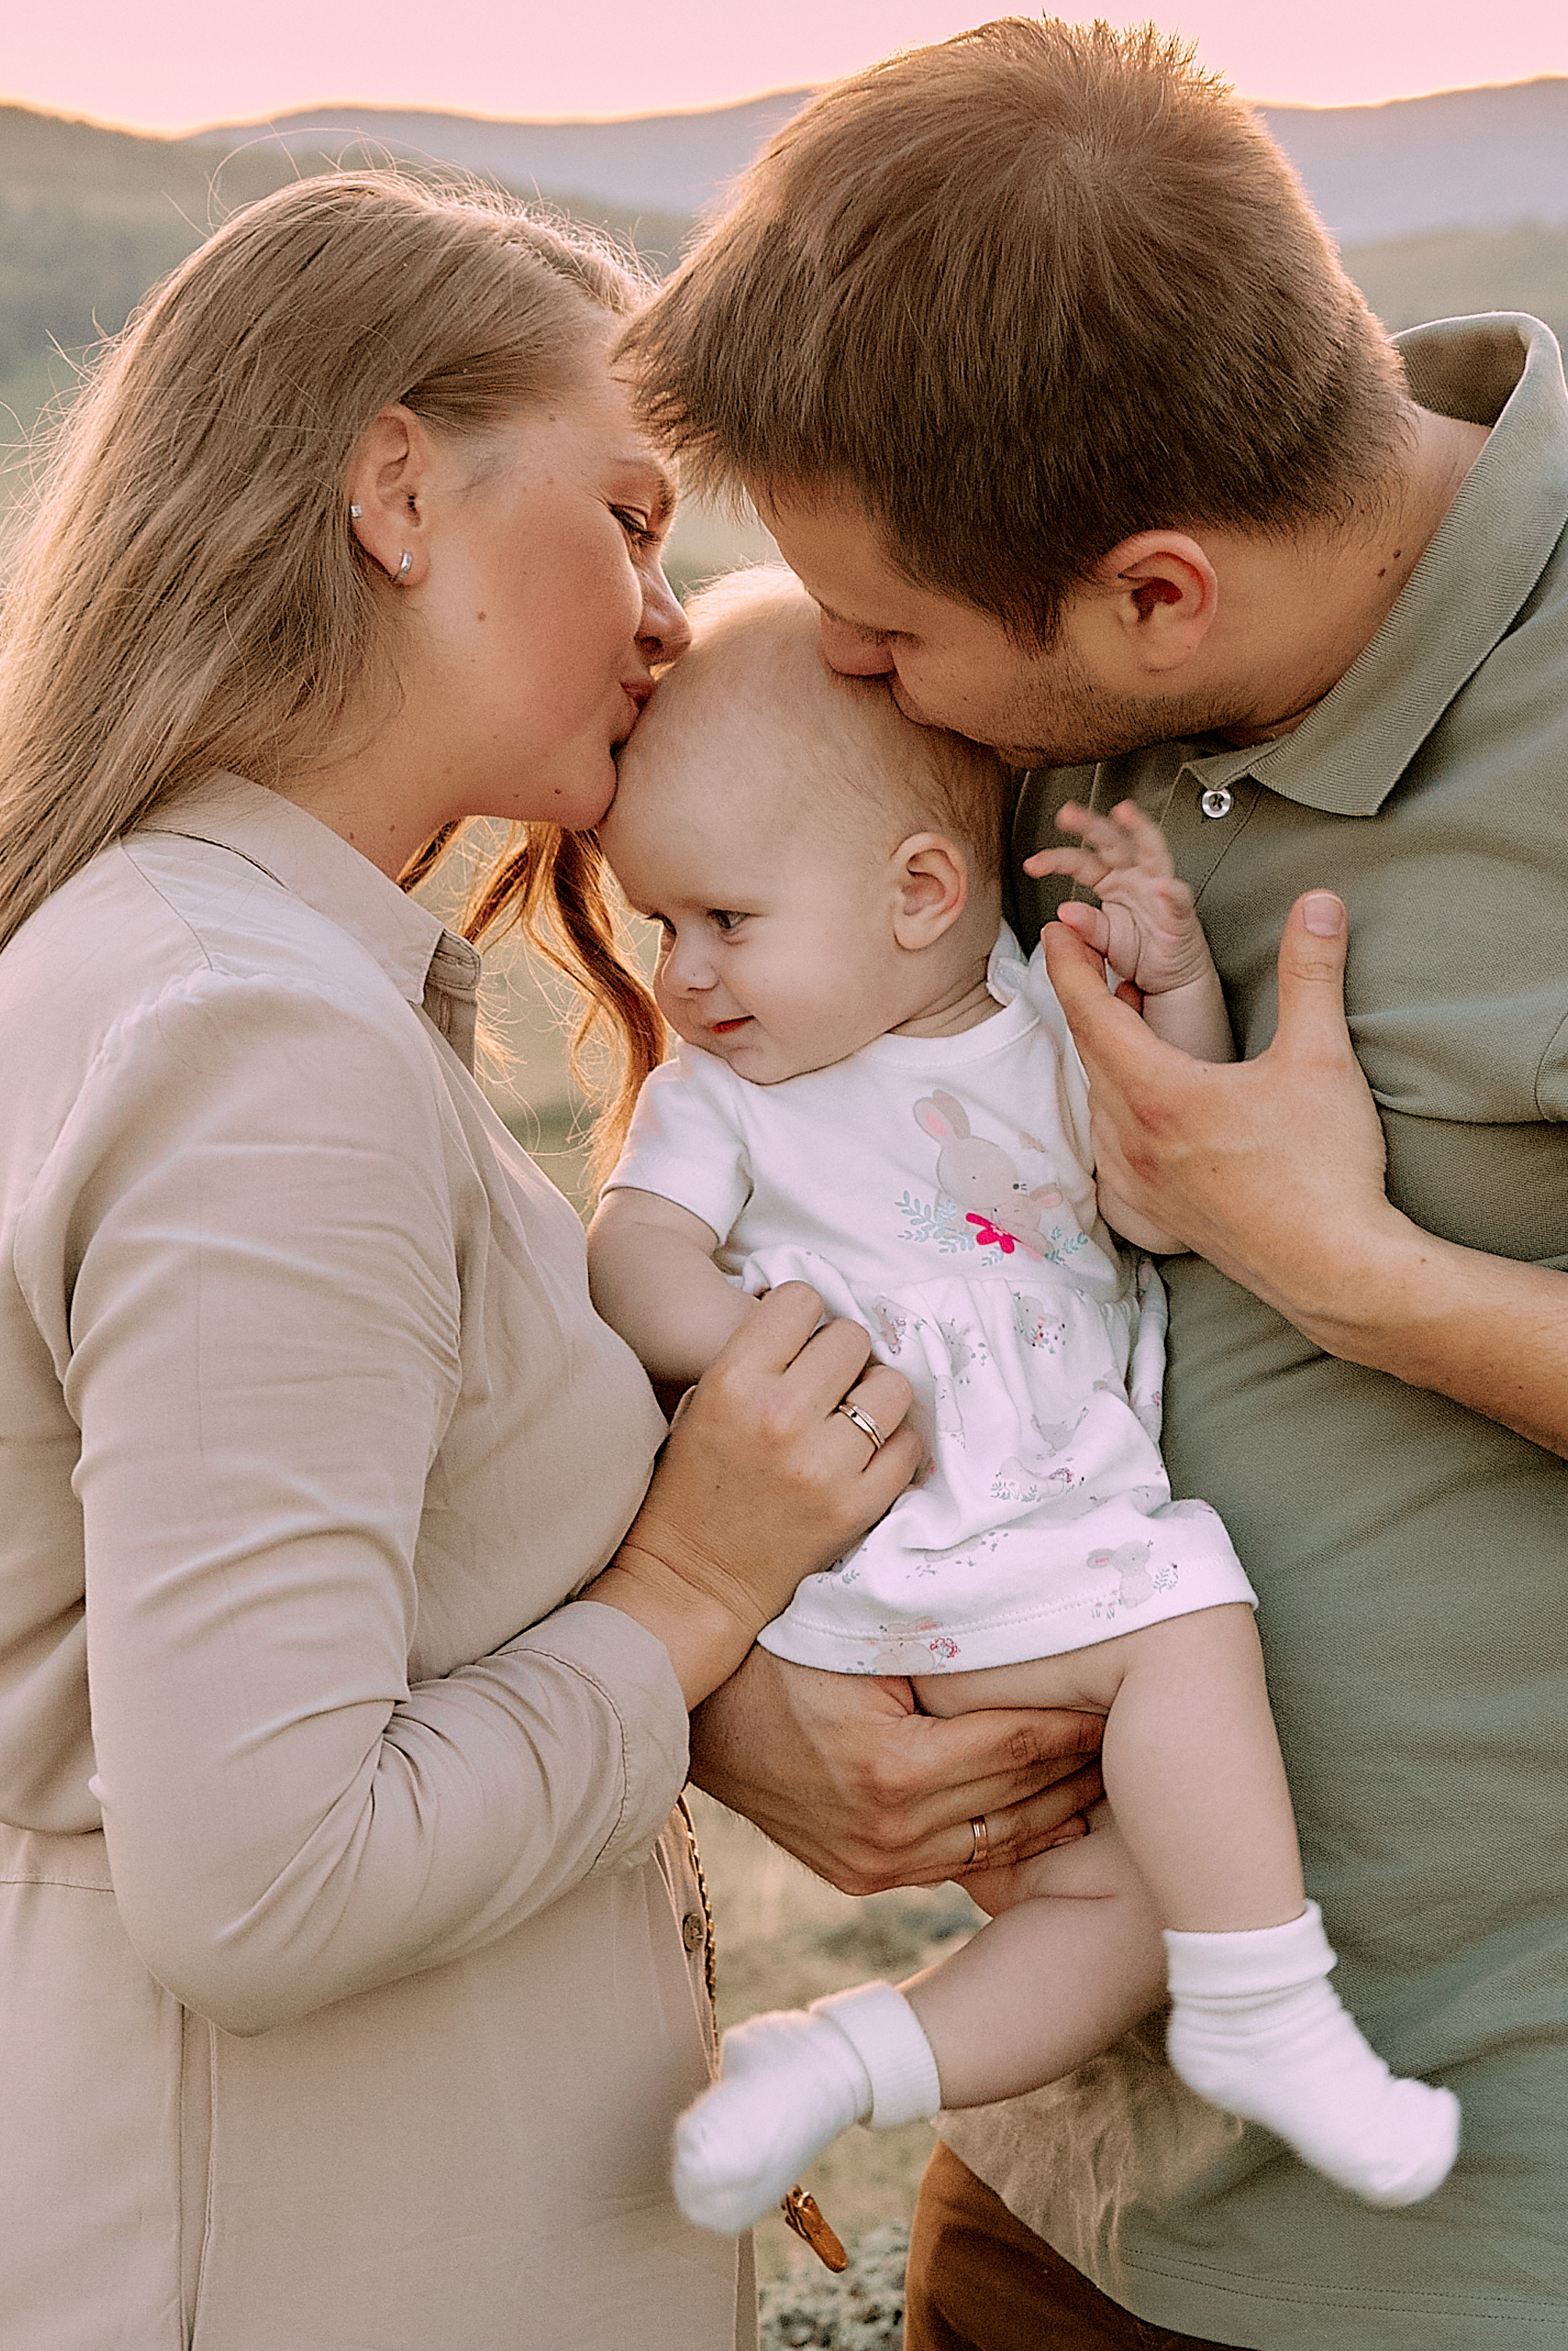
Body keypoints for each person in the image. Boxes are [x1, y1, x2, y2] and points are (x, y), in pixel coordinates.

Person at [616, 20, 1568, 2351]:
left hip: (1480, 2231)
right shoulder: (1044, 691)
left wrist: (1340, 1265)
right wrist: (742, 1699)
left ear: (1152, 597)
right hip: (1052, 2180)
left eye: (885, 636)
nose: (843, 675)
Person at [0, 168, 958, 2351]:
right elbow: (266, 1878)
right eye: (626, 517)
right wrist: (694, 1587)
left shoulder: (188, 965)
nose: (663, 602)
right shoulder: (256, 1049)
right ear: (395, 488)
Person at [585, 564, 1458, 2226]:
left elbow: (1152, 1191)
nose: (683, 977)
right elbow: (628, 1252)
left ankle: (839, 2062)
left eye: (723, 922)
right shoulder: (730, 1099)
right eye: (659, 931)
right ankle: (1272, 2009)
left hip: (1016, 1563)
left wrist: (1172, 989)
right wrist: (727, 1338)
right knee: (1191, 1612)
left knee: (1125, 1907)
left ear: (921, 889)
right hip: (923, 1544)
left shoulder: (1038, 1030)